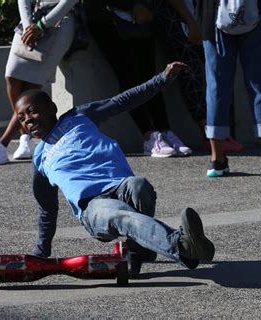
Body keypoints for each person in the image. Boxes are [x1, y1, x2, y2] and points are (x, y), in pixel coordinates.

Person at [16, 62, 215, 277]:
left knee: (140, 185)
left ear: (52, 108)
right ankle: (183, 247)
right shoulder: (40, 158)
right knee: (125, 216)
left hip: (121, 187)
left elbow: (122, 102)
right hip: (93, 207)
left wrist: (161, 79)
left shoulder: (79, 117)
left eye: (32, 111)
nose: (28, 120)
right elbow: (47, 209)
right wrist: (40, 253)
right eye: (22, 118)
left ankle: (139, 251)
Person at [197, 0, 261, 177]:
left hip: (212, 15)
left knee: (216, 87)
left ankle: (217, 159)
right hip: (255, 13)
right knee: (260, 84)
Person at [84, 0, 192, 157]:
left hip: (140, 16)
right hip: (105, 16)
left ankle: (164, 130)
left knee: (150, 74)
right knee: (128, 75)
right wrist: (131, 6)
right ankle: (149, 137)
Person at [0, 0, 79, 165]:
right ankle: (26, 137)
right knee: (11, 78)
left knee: (31, 88)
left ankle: (2, 144)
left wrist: (42, 25)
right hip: (31, 20)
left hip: (61, 21)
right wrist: (29, 26)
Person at [152, 0, 245, 152]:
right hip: (177, 16)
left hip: (201, 15)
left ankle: (220, 132)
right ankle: (209, 134)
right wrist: (191, 21)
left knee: (217, 70)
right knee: (190, 71)